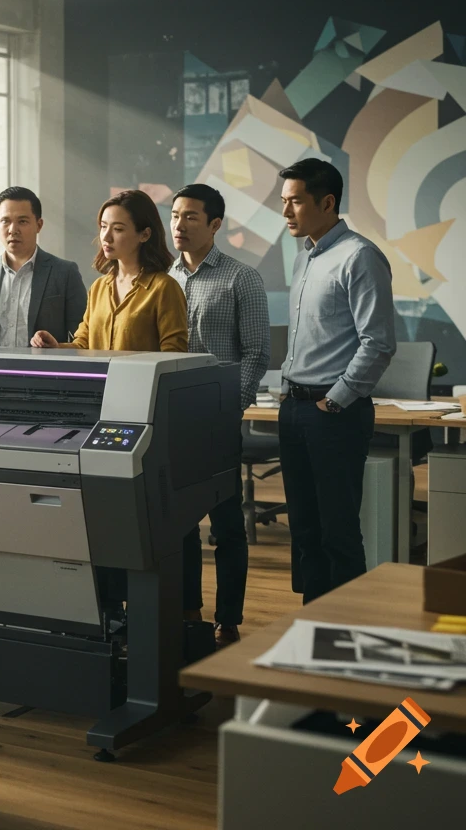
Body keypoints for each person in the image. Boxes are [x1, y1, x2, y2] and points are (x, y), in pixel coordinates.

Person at [277, 158, 395, 603]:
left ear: (327, 202)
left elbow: (378, 343)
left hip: (333, 414)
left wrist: (336, 400)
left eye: (295, 202)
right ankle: (311, 625)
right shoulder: (304, 256)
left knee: (338, 532)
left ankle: (346, 631)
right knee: (304, 529)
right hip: (294, 409)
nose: (286, 212)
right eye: (283, 202)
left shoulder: (360, 256)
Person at [169, 183, 270, 647]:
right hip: (171, 419)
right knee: (179, 525)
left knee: (227, 524)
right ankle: (189, 610)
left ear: (214, 224)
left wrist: (233, 406)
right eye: (174, 216)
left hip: (218, 419)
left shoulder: (240, 278)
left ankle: (227, 618)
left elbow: (256, 353)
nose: (180, 225)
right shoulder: (163, 279)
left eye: (191, 217)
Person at [33, 189, 188, 353]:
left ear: (145, 234)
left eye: (118, 229)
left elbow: (173, 357)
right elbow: (83, 344)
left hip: (140, 379)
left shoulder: (164, 288)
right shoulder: (98, 287)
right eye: (103, 226)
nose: (106, 237)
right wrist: (55, 347)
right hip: (100, 379)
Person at [0, 186, 86, 347]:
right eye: (5, 221)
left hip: (43, 370)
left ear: (39, 225)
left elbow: (84, 339)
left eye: (22, 221)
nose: (13, 230)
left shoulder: (64, 273)